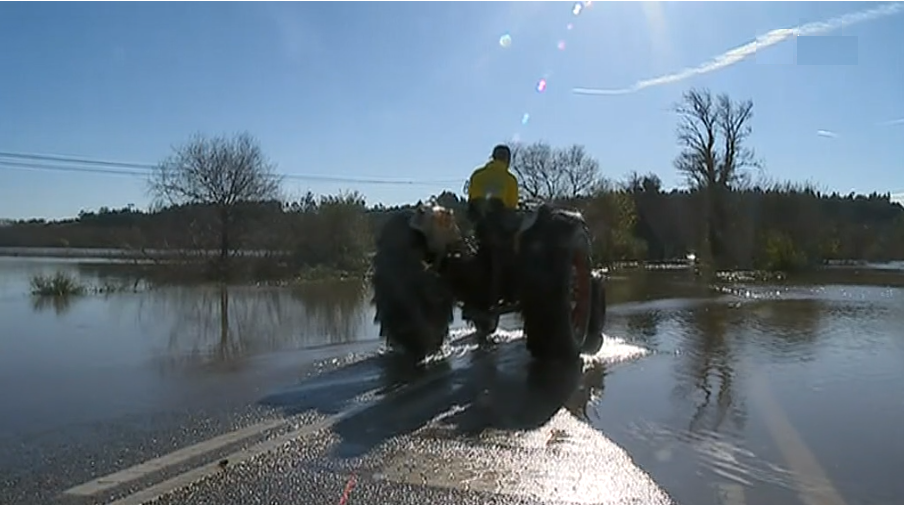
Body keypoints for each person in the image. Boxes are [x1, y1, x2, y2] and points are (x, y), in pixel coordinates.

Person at [467, 144, 519, 215]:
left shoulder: (477, 175)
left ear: (493, 157)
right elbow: (512, 206)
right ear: (508, 159)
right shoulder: (510, 180)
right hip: (499, 222)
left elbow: (471, 198)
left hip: (477, 220)